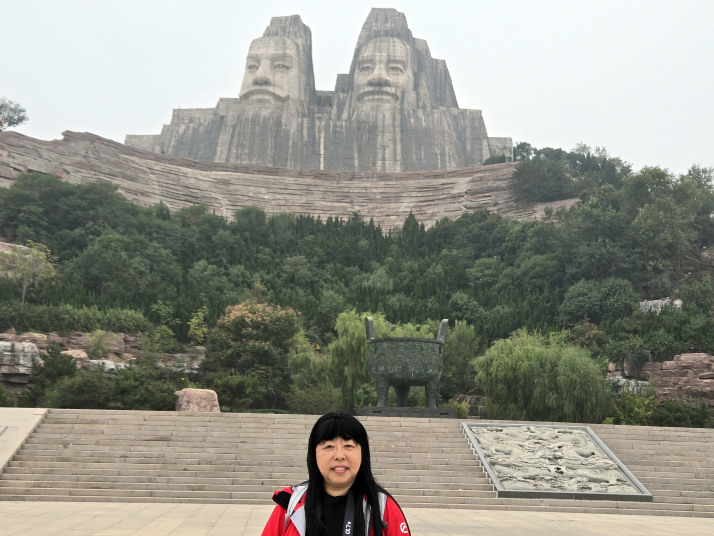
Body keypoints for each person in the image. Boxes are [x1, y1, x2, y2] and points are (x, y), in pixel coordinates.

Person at [261, 412, 411, 536]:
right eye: (329, 446)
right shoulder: (291, 503)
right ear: (314, 454)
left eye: (348, 446)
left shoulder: (382, 507)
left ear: (363, 453)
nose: (339, 455)